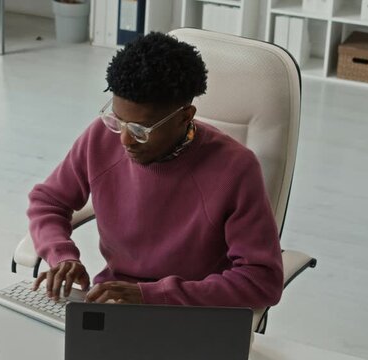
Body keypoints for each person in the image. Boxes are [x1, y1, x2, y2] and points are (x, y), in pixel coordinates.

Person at [28, 32, 283, 308]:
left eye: (140, 130)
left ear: (185, 117)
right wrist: (62, 255)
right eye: (118, 120)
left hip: (193, 312)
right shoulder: (101, 138)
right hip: (113, 301)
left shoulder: (236, 169)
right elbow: (48, 202)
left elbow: (261, 280)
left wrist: (151, 296)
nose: (124, 140)